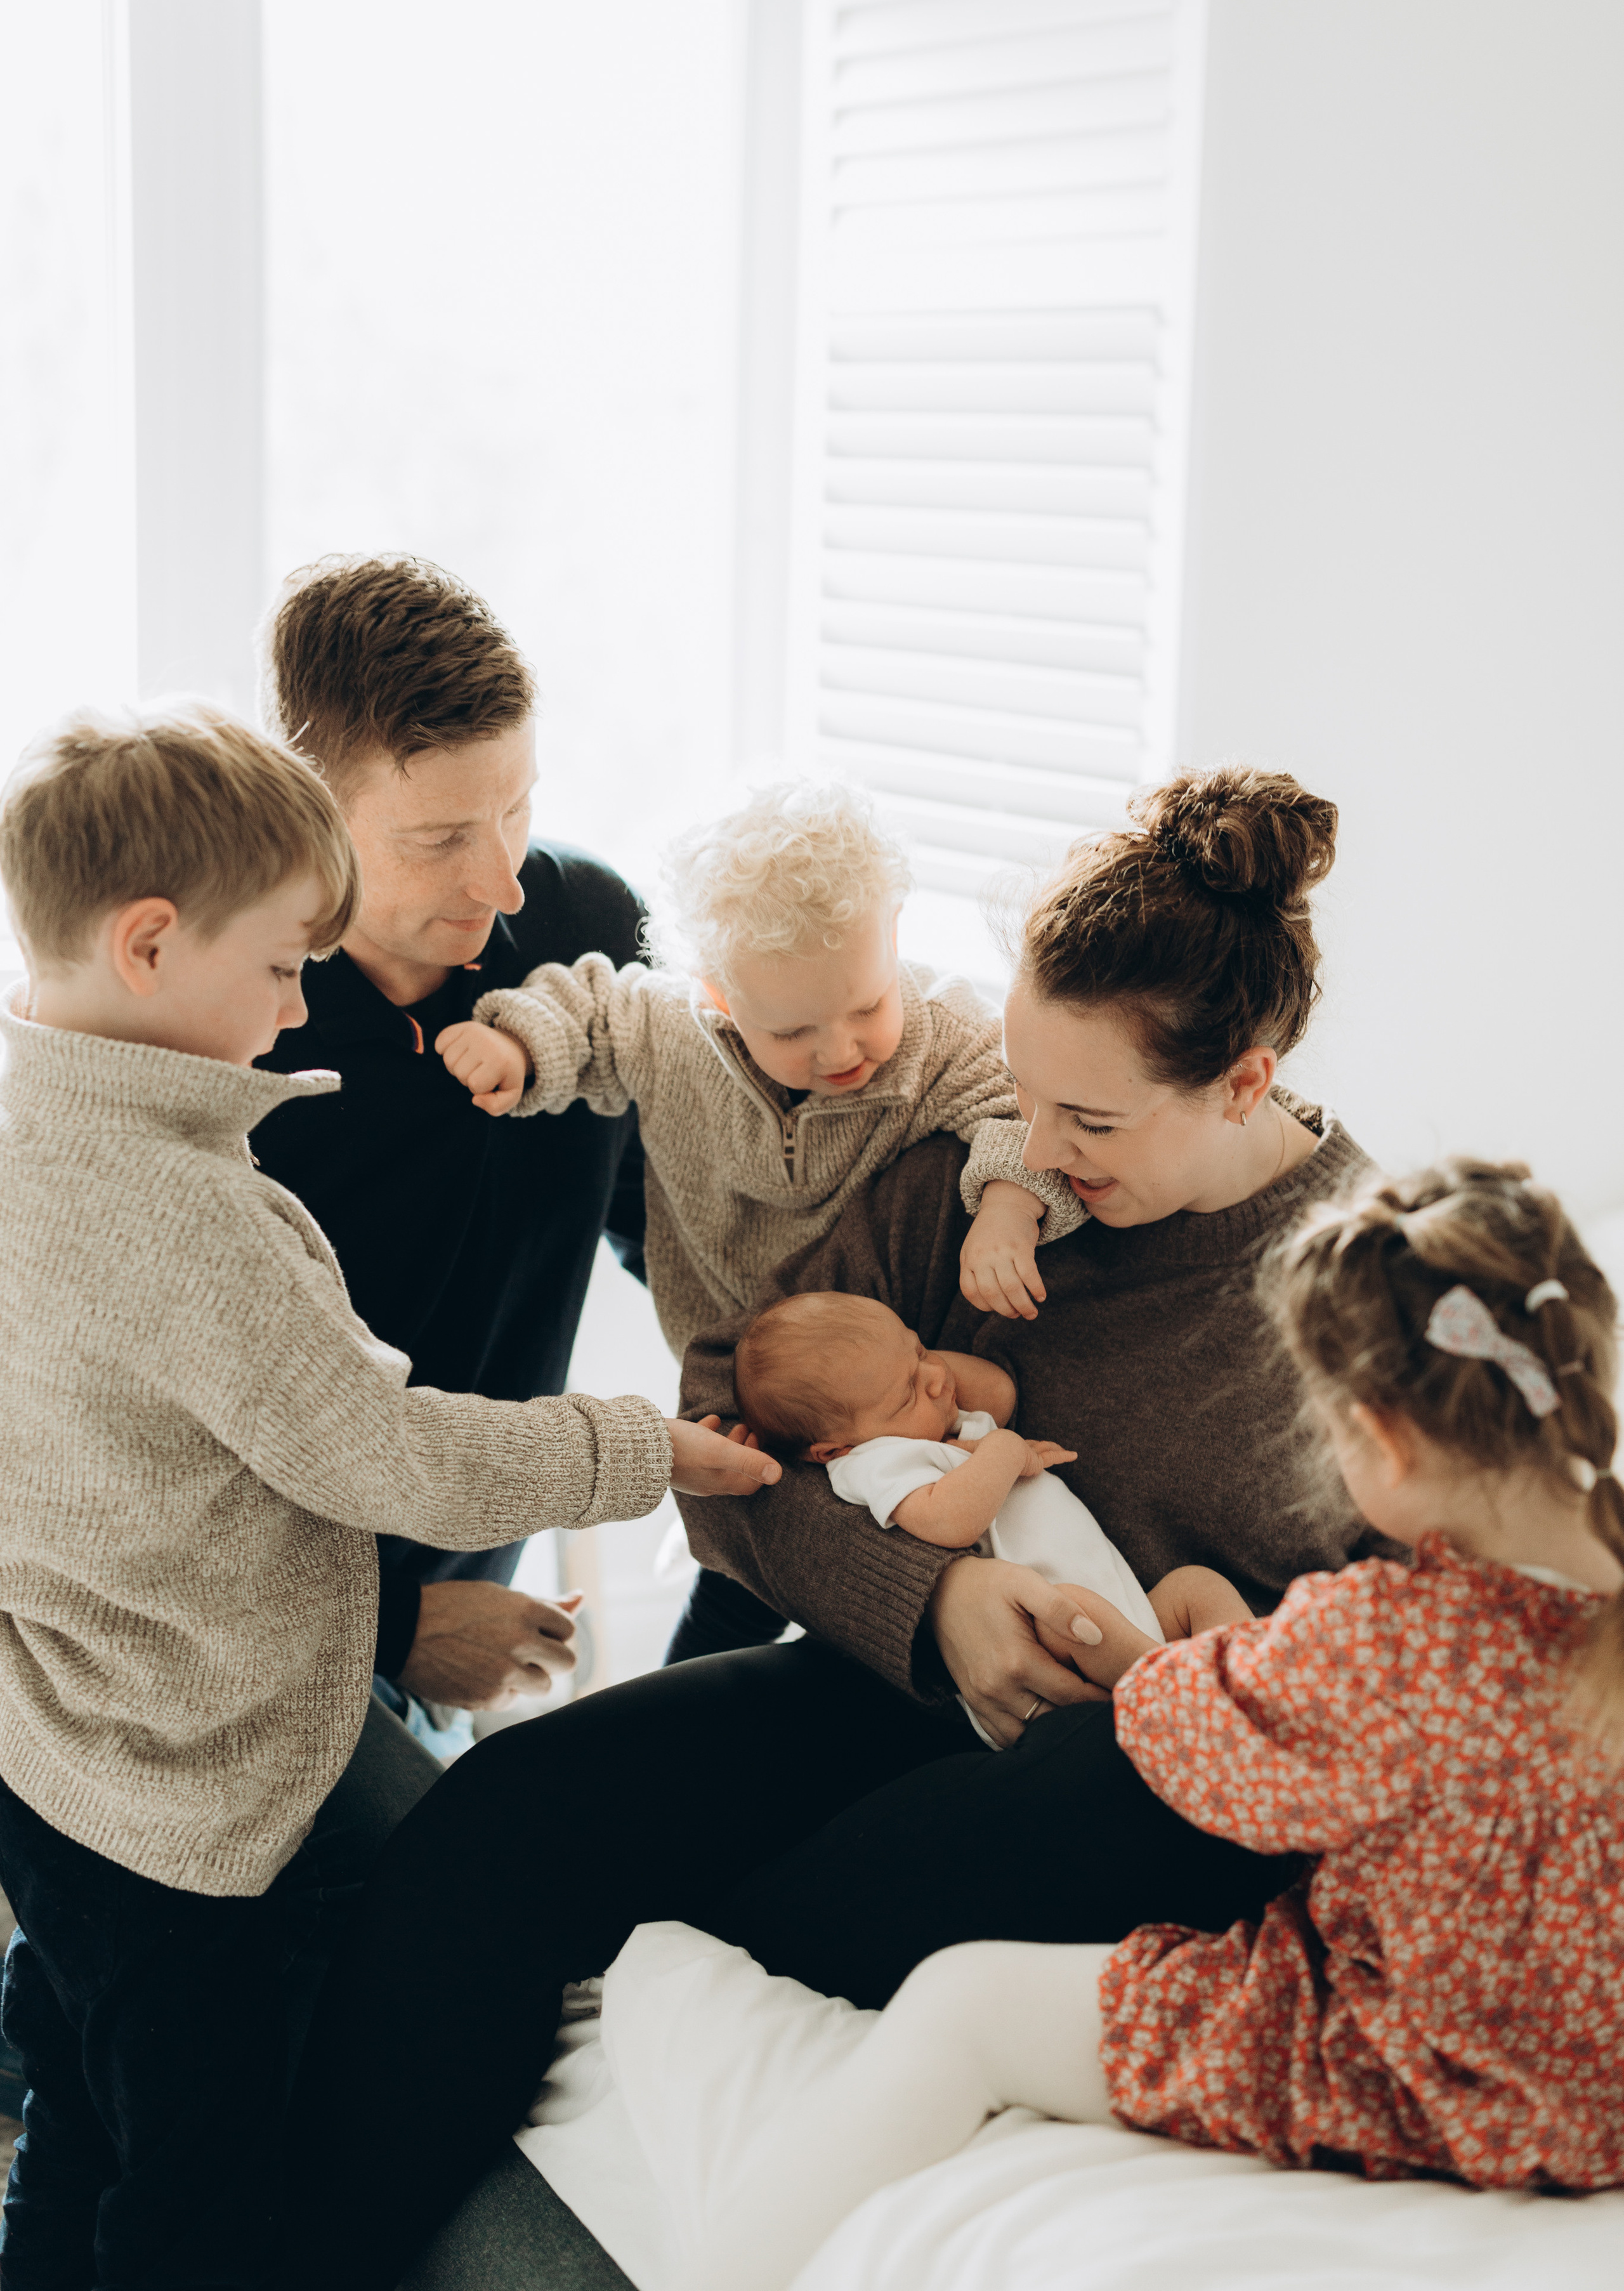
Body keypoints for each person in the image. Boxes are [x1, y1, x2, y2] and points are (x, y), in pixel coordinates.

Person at [282, 764, 1384, 2291]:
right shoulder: (972, 1179)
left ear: (1245, 1082)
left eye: (1087, 1119)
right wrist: (927, 1602)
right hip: (889, 1678)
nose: (1035, 1151)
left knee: (1095, 1787)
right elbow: (736, 1448)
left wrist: (1208, 1646)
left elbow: (1403, 1671)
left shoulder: (1364, 1303)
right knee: (502, 1816)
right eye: (1017, 1087)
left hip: (1137, 1767)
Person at [0, 704, 777, 2291]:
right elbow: (388, 1452)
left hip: (53, 1760)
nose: (302, 1001)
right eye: (286, 963)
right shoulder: (195, 1213)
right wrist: (642, 1446)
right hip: (190, 1812)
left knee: (80, 2112)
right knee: (200, 2188)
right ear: (150, 944)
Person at [605, 1156, 1624, 2291]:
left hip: (1446, 2077)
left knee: (966, 2002)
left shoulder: (1390, 1639)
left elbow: (1190, 1739)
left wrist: (1132, 1651)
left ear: (1381, 1444)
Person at [437, 777, 1083, 1661]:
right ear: (715, 994)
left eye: (866, 1007)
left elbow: (1011, 1108)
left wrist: (1008, 1207)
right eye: (794, 1031)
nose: (842, 1050)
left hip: (871, 1358)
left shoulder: (937, 1036)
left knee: (888, 1528)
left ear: (893, 941)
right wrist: (516, 1043)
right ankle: (684, 1719)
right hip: (729, 1343)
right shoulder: (666, 1027)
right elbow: (589, 1008)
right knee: (738, 1534)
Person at [254, 553, 651, 1731]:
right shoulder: (232, 1021)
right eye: (438, 840)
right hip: (255, 1636)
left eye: (517, 809)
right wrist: (392, 1621)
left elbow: (668, 1206)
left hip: (477, 1593)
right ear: (308, 813)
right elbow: (151, 1450)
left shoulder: (588, 929)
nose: (503, 881)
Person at [732, 1289, 1250, 1741]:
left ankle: (1260, 1686)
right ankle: (1197, 1717)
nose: (936, 1378)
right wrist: (1004, 1452)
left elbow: (1000, 1392)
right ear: (831, 1450)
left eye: (920, 1350)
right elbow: (949, 1521)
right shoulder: (872, 1462)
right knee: (1075, 1611)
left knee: (1196, 1587)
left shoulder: (933, 1426)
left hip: (1129, 1609)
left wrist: (913, 1369)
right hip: (1050, 1641)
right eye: (909, 1391)